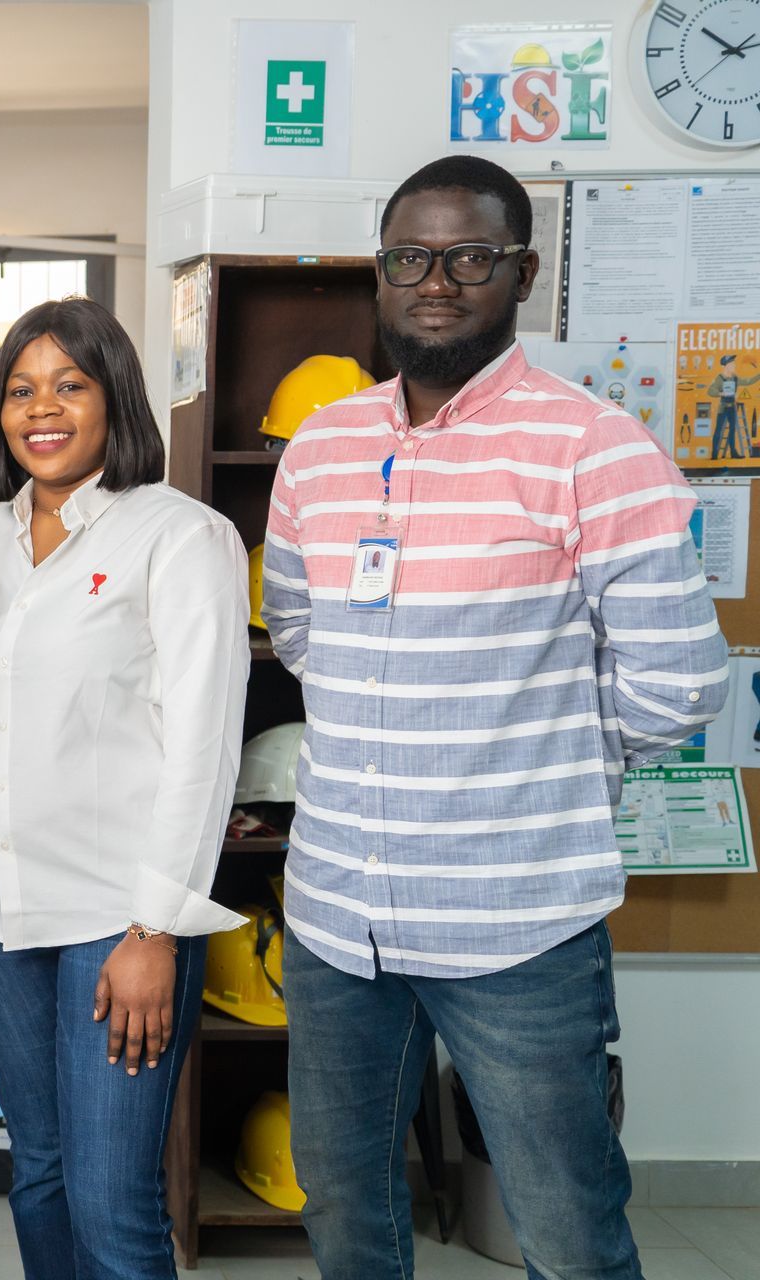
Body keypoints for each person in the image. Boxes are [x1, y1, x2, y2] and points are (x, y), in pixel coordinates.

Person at [262, 154, 730, 1279]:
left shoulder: (597, 448)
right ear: (378, 273)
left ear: (520, 271)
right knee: (345, 1206)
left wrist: (534, 766)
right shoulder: (322, 449)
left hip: (517, 920)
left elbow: (678, 680)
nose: (436, 280)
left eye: (468, 256)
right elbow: (298, 625)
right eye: (408, 257)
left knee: (566, 1221)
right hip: (338, 916)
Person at [0, 298, 249, 1279]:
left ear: (116, 398)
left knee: (112, 1202)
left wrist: (157, 927)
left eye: (70, 383)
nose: (42, 408)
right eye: (20, 389)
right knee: (40, 1174)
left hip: (118, 913)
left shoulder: (180, 537)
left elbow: (204, 745)